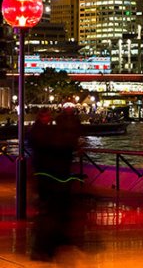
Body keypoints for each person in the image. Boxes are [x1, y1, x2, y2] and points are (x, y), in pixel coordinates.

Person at [29, 105, 82, 261]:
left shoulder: (42, 133)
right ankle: (46, 246)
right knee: (52, 211)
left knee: (48, 210)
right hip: (52, 176)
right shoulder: (48, 135)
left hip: (45, 175)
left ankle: (44, 246)